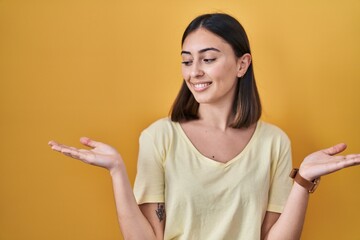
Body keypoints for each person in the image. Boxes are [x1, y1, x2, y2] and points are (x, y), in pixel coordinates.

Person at [48, 13, 360, 240]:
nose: (194, 71)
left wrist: (303, 181)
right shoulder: (160, 137)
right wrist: (117, 171)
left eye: (208, 59)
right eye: (186, 60)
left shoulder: (273, 142)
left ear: (242, 64)